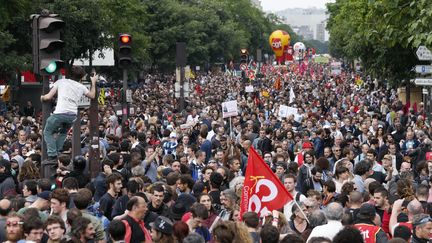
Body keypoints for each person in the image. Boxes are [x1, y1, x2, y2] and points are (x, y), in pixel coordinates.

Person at [41, 66, 98, 160]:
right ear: (81, 77)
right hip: (72, 116)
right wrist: (93, 82)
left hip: (59, 113)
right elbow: (92, 95)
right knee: (63, 132)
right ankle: (58, 151)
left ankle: (52, 154)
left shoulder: (61, 82)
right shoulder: (81, 87)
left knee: (47, 132)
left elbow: (48, 97)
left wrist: (42, 98)